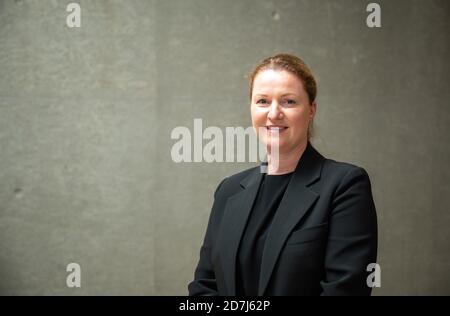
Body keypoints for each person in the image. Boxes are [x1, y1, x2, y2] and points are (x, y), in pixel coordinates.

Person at [188, 53, 378, 296]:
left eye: (288, 102)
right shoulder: (229, 191)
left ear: (311, 110)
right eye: (263, 101)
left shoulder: (345, 186)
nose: (274, 113)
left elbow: (344, 291)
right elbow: (204, 287)